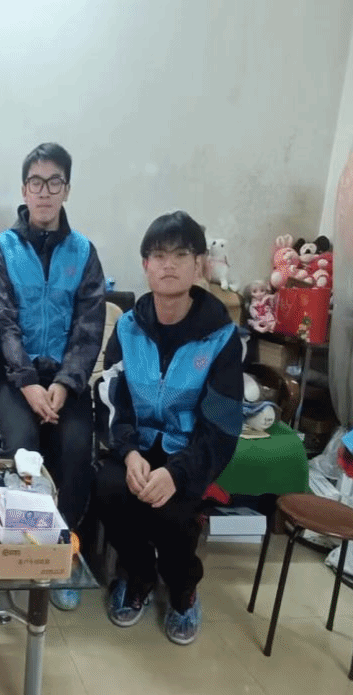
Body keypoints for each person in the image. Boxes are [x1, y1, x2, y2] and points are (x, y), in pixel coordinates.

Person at [94, 211, 243, 643]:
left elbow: (222, 426)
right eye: (158, 255)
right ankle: (138, 576)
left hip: (189, 453)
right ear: (146, 265)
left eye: (181, 255)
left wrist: (177, 473)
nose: (169, 265)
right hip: (137, 446)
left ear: (199, 265)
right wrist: (128, 453)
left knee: (173, 512)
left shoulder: (221, 338)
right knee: (108, 488)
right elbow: (111, 399)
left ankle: (182, 589)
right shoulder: (128, 328)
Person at [0, 142, 106, 611]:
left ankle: (64, 554)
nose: (45, 191)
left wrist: (64, 384)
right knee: (21, 448)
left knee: (75, 449)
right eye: (36, 182)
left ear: (67, 190)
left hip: (66, 381)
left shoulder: (84, 253)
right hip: (18, 379)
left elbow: (89, 326)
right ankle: (20, 554)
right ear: (24, 190)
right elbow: (3, 319)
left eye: (55, 182)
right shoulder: (3, 248)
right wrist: (29, 382)